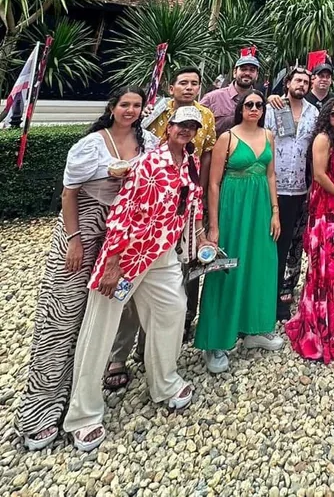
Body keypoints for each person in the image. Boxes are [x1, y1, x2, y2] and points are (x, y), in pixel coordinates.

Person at [17, 89, 155, 451]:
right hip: (84, 227)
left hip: (121, 234)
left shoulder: (149, 142)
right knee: (62, 315)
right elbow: (68, 195)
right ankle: (41, 407)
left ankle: (82, 399)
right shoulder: (91, 144)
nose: (130, 110)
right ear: (111, 108)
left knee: (99, 318)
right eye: (124, 104)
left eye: (136, 105)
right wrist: (75, 239)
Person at [64, 106, 207, 451]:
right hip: (127, 256)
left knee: (172, 312)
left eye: (192, 126)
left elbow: (191, 204)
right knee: (100, 328)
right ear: (168, 127)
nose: (186, 131)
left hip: (161, 254)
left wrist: (200, 238)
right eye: (181, 125)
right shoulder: (146, 163)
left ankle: (165, 382)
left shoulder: (189, 163)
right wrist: (112, 261)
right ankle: (83, 414)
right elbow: (122, 211)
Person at [107, 66, 217, 375]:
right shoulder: (156, 111)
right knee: (131, 290)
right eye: (183, 82)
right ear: (172, 86)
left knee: (176, 281)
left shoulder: (204, 116)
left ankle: (154, 351)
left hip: (182, 206)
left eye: (194, 83)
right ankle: (118, 354)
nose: (189, 88)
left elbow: (203, 156)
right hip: (147, 208)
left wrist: (199, 196)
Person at [195, 91, 283, 372]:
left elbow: (270, 174)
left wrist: (275, 211)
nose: (255, 108)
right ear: (240, 108)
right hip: (234, 208)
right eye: (249, 104)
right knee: (225, 271)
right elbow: (213, 184)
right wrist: (214, 224)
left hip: (260, 209)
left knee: (260, 266)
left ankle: (254, 328)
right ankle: (215, 340)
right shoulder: (227, 138)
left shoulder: (268, 135)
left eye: (259, 104)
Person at [285, 97, 334, 363]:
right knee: (324, 265)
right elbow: (319, 174)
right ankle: (320, 322)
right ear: (326, 115)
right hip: (326, 208)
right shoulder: (323, 139)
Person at [264, 66, 318, 321]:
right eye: (298, 80)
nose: (302, 85)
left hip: (300, 186)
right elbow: (263, 141)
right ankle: (265, 295)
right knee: (271, 242)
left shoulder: (313, 112)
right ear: (287, 83)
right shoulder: (273, 107)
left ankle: (281, 294)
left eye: (306, 82)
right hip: (273, 185)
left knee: (290, 244)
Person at [201, 48, 262, 135]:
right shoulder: (212, 98)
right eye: (243, 69)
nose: (247, 73)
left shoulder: (260, 101)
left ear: (256, 75)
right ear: (234, 72)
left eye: (252, 70)